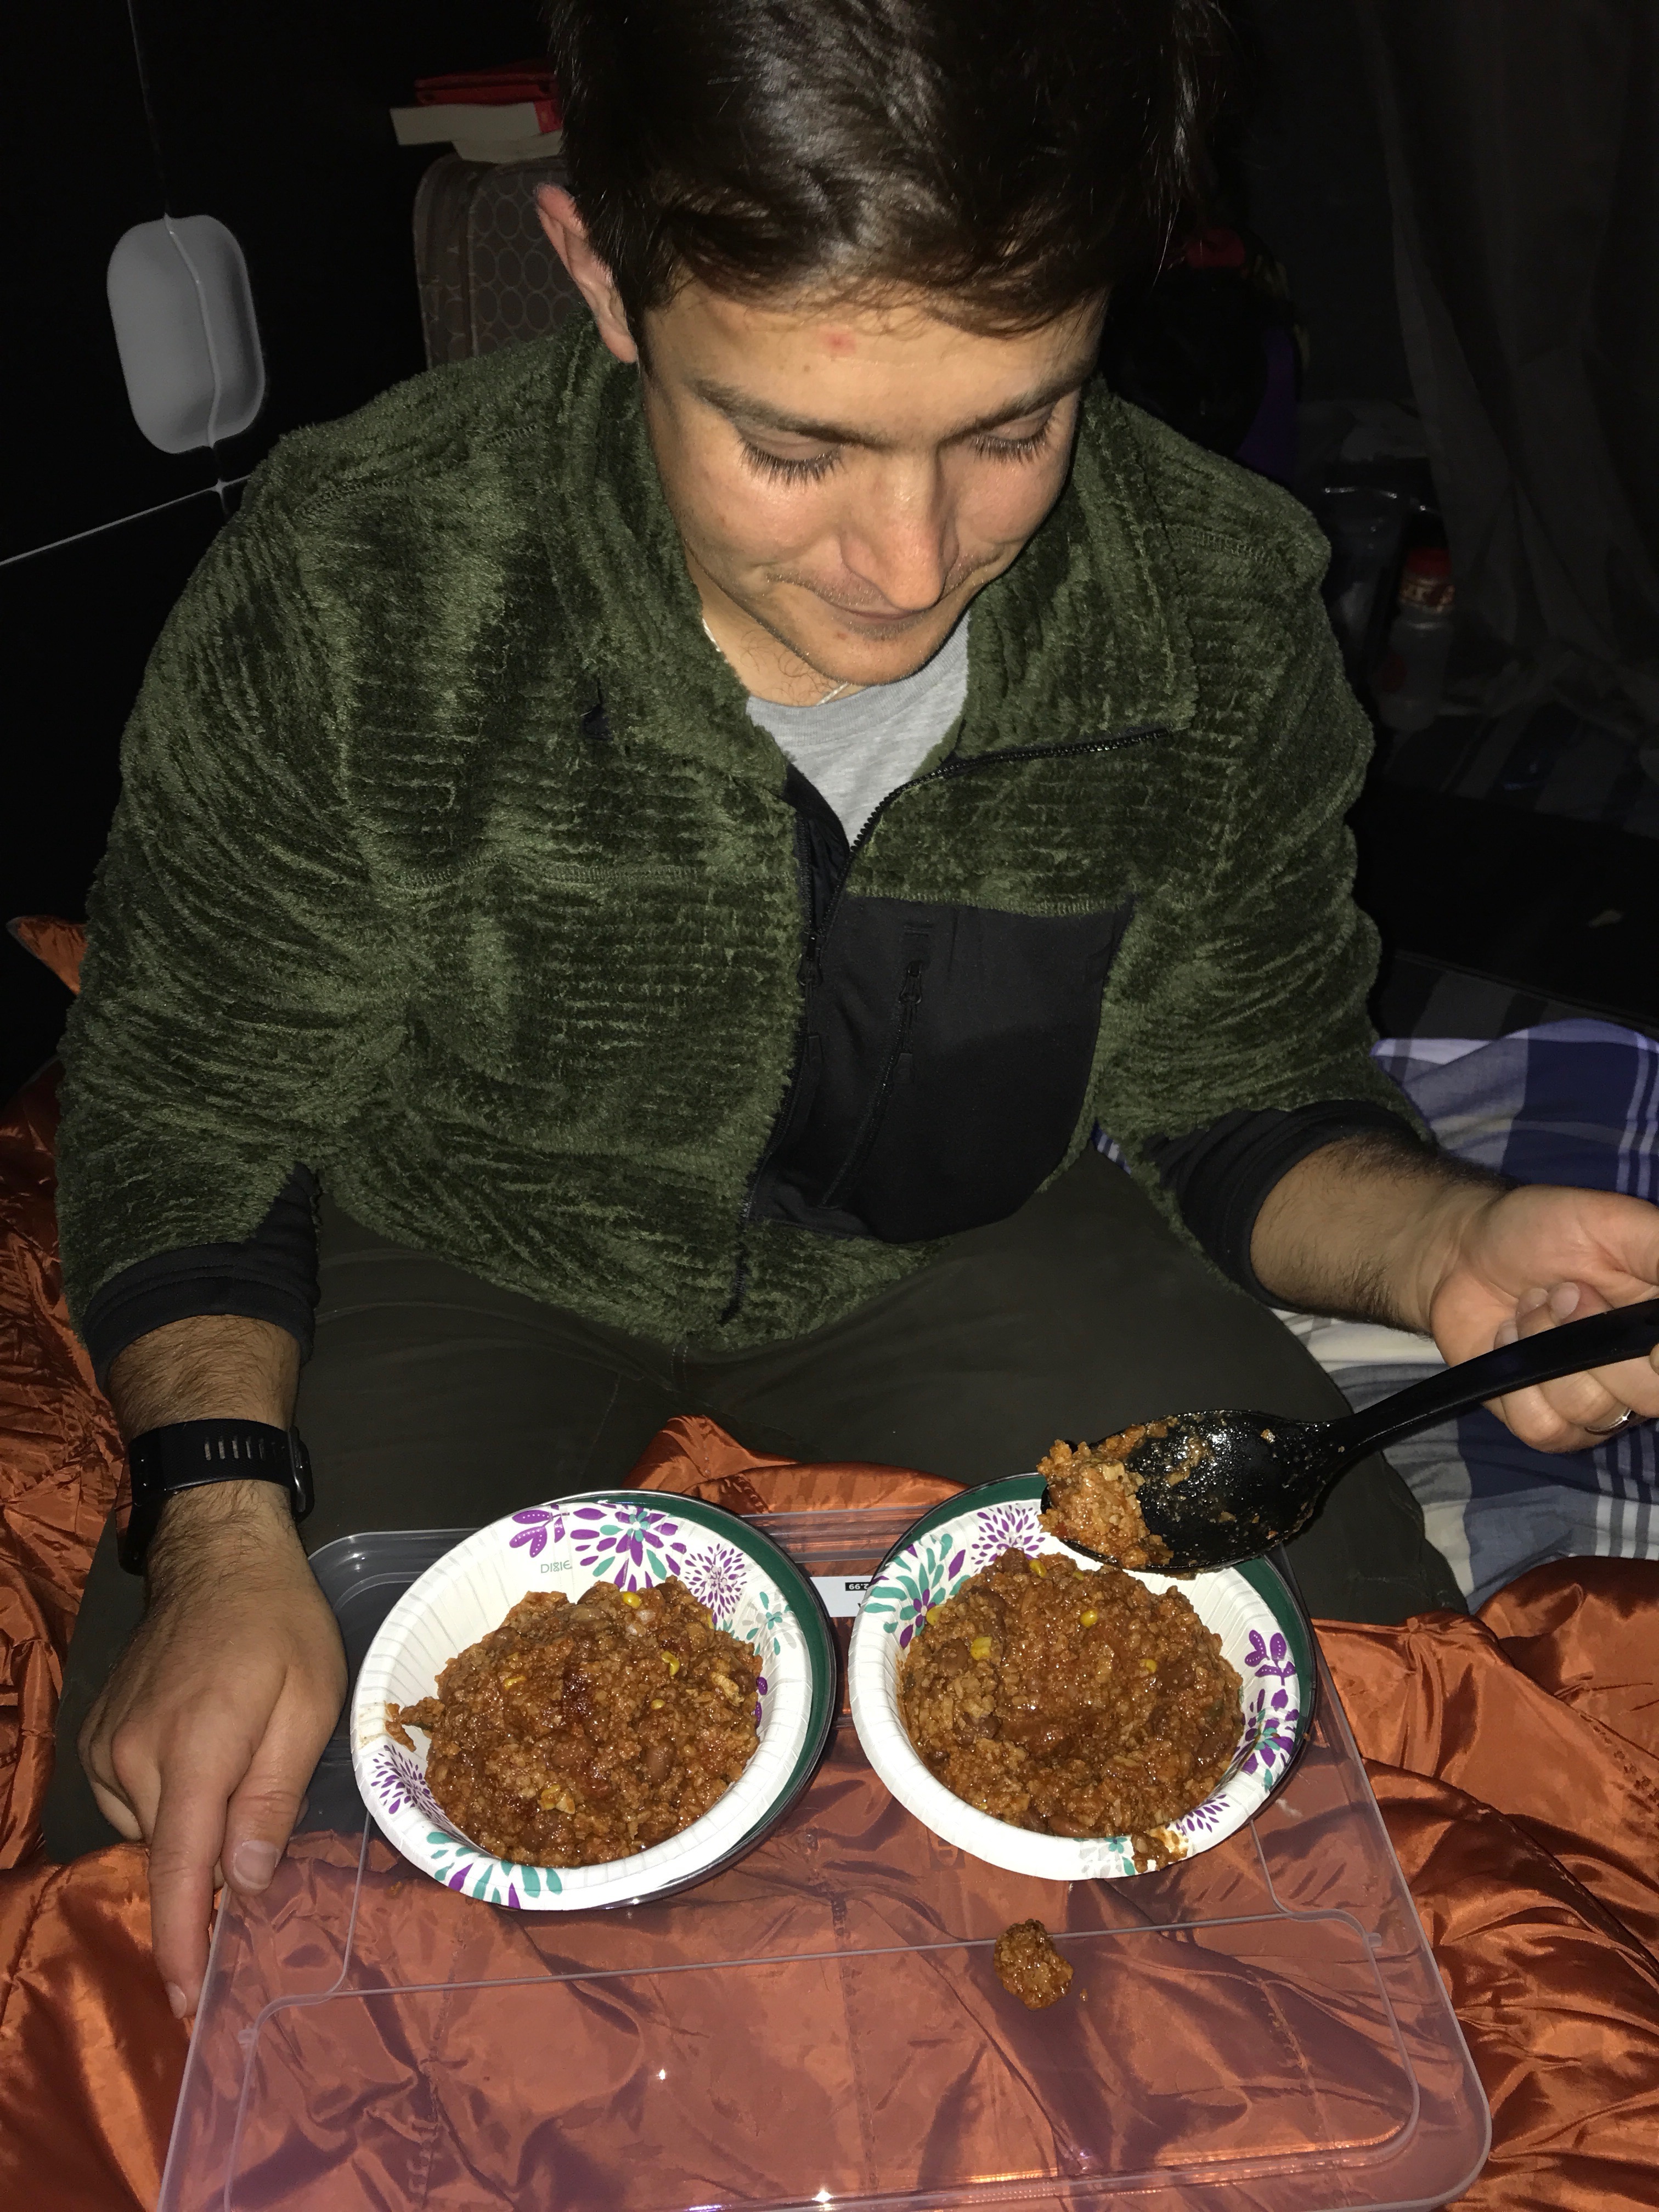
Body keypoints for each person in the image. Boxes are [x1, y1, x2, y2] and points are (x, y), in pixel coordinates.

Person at [46, 0, 1659, 2024]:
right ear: (597, 275)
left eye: (1014, 429)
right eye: (794, 447)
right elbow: (187, 1114)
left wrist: (1443, 1245)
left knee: (1372, 1753)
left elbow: (1240, 1087)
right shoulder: (363, 576)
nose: (910, 567)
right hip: (448, 1236)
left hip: (977, 1230)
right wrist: (216, 1532)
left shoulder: (1218, 598)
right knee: (182, 1875)